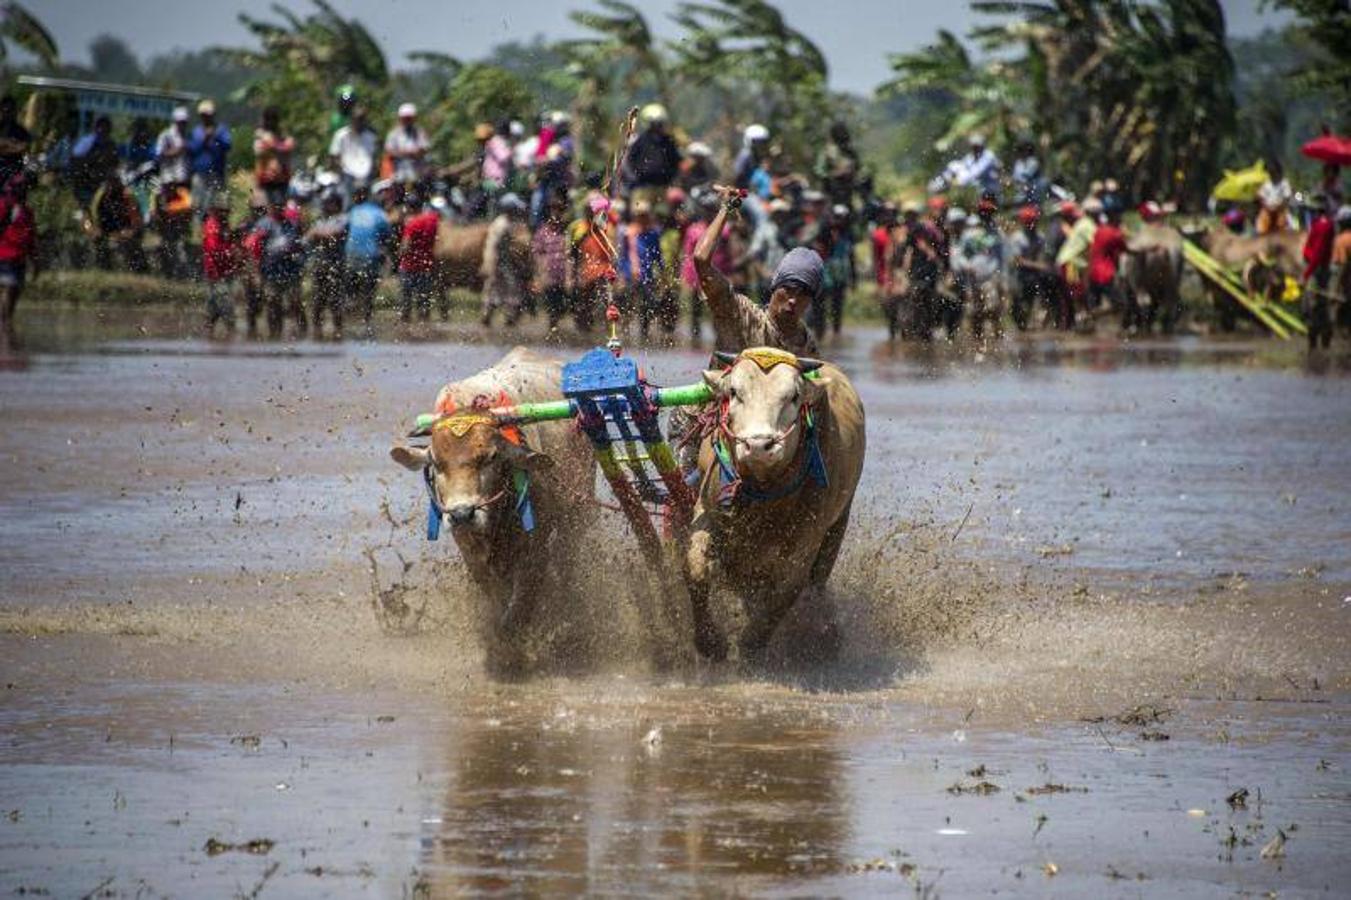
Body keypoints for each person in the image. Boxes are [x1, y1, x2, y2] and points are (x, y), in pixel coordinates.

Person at [253, 195, 306, 339]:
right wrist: (257, 270)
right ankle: (274, 334)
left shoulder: (291, 224)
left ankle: (302, 335)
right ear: (269, 208)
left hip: (290, 270)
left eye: (280, 206)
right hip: (270, 271)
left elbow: (300, 246)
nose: (277, 209)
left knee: (295, 301)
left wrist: (300, 262)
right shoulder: (263, 224)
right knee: (273, 303)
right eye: (274, 206)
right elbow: (255, 248)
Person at [568, 193, 618, 333]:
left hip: (603, 272)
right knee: (583, 306)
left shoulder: (606, 228)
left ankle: (604, 331)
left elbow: (613, 251)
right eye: (589, 210)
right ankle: (584, 330)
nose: (592, 213)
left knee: (604, 305)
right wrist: (573, 274)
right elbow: (572, 253)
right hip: (585, 272)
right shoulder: (578, 227)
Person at [952, 208, 1004, 339]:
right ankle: (976, 339)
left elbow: (1000, 256)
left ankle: (997, 337)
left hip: (990, 277)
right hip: (972, 280)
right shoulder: (967, 236)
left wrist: (997, 272)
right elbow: (960, 256)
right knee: (973, 311)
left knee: (993, 308)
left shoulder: (995, 235)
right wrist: (966, 266)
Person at [480, 193, 531, 327]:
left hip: (506, 262)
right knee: (500, 290)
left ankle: (505, 318)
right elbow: (492, 247)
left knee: (505, 290)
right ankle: (493, 318)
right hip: (499, 263)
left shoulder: (509, 222)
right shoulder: (502, 224)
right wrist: (490, 265)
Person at [344, 184, 389, 330]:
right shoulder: (379, 213)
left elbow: (344, 231)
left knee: (352, 290)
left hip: (352, 254)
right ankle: (366, 321)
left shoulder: (353, 211)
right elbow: (387, 235)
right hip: (371, 255)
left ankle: (351, 321)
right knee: (368, 291)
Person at [303, 190, 348, 338]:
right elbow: (308, 236)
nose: (327, 206)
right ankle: (316, 330)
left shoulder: (343, 218)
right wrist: (318, 233)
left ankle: (338, 330)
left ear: (337, 204)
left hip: (336, 265)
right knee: (318, 299)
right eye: (326, 203)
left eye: (330, 203)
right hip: (320, 264)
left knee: (336, 299)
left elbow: (334, 233)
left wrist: (318, 233)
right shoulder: (320, 219)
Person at [626, 199, 673, 340]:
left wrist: (663, 273)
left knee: (647, 302)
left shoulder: (653, 234)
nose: (642, 218)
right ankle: (625, 332)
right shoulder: (630, 232)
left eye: (645, 215)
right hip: (631, 272)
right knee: (628, 303)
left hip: (648, 273)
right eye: (640, 215)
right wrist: (633, 268)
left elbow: (658, 255)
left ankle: (644, 333)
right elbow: (631, 252)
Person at [624, 104, 682, 204]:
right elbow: (630, 160)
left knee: (661, 212)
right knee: (641, 211)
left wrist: (671, 178)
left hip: (663, 187)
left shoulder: (668, 142)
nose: (657, 126)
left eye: (659, 123)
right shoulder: (641, 140)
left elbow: (675, 161)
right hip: (642, 186)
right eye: (655, 123)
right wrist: (635, 177)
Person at [398, 188, 441, 323]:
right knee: (424, 302)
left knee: (406, 303)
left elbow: (405, 247)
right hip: (426, 266)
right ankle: (425, 329)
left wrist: (399, 254)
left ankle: (406, 329)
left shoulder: (412, 224)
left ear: (409, 208)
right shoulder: (432, 219)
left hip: (409, 267)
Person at [1007, 204, 1052, 331]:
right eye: (1030, 222)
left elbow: (1043, 254)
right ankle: (1020, 326)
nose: (1032, 225)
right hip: (1018, 276)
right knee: (1018, 303)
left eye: (1034, 221)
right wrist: (1037, 265)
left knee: (1032, 302)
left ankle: (1028, 327)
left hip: (1034, 276)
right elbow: (1017, 260)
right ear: (1024, 223)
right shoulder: (1018, 238)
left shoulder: (1040, 237)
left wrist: (1043, 264)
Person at [531, 190, 572, 330]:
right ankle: (552, 331)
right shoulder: (542, 233)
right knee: (551, 310)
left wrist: (569, 278)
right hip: (548, 277)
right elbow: (536, 256)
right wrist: (539, 276)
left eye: (559, 209)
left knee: (563, 308)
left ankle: (557, 331)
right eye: (553, 209)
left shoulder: (566, 232)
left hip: (563, 277)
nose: (556, 213)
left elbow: (569, 256)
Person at [201, 194, 241, 337]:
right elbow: (214, 249)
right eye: (221, 210)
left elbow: (227, 243)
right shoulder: (212, 225)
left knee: (214, 303)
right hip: (216, 272)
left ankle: (209, 332)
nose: (225, 213)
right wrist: (232, 252)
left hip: (225, 271)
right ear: (214, 210)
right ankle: (231, 332)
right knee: (226, 302)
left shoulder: (224, 224)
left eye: (226, 210)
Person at [0, 174, 36, 334]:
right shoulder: (4, 206)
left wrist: (35, 261)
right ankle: (4, 325)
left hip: (19, 257)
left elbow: (31, 238)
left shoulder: (27, 211)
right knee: (9, 287)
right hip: (4, 255)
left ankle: (7, 323)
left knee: (15, 291)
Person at [1055, 198, 1098, 329]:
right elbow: (1095, 244)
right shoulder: (1088, 225)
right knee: (1077, 294)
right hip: (1071, 263)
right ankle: (1081, 322)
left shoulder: (1081, 224)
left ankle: (1075, 322)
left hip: (1068, 262)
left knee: (1072, 295)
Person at [90, 172, 146, 272]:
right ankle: (105, 268)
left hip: (126, 226)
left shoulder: (127, 194)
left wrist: (132, 230)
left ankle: (138, 269)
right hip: (108, 226)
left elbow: (135, 216)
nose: (112, 185)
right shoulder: (102, 194)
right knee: (99, 240)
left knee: (132, 243)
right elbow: (95, 213)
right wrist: (98, 228)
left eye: (115, 182)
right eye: (111, 183)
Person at [1302, 194, 1335, 350]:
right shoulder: (1320, 224)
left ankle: (1316, 342)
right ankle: (1318, 342)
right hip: (1317, 267)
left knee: (1313, 306)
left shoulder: (1323, 226)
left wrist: (1307, 273)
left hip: (1317, 269)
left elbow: (1318, 253)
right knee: (1318, 306)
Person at [1087, 205, 1129, 327]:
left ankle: (1089, 322)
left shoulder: (1099, 230)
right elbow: (1127, 249)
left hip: (1092, 272)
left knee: (1095, 302)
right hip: (1105, 274)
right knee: (1121, 304)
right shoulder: (1116, 234)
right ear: (1115, 218)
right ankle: (1091, 315)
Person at [188, 100, 232, 210]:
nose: (206, 118)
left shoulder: (221, 130)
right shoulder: (196, 131)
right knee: (198, 206)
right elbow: (192, 149)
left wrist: (215, 136)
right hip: (200, 174)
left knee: (215, 207)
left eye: (208, 115)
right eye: (204, 115)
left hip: (216, 174)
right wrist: (205, 139)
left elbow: (227, 145)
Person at [70, 115, 121, 209]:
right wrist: (93, 160)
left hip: (101, 184)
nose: (103, 130)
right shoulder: (87, 142)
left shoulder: (111, 145)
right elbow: (75, 159)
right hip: (84, 182)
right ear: (96, 128)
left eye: (106, 128)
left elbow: (115, 164)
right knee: (83, 208)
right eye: (101, 127)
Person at [329, 105, 378, 201]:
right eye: (357, 119)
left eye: (362, 119)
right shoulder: (341, 135)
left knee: (367, 202)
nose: (359, 121)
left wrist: (373, 171)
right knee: (348, 202)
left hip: (366, 175)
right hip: (347, 174)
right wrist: (341, 171)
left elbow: (372, 156)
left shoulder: (370, 136)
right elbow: (334, 155)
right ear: (352, 119)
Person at [939, 133, 1001, 199]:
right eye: (974, 147)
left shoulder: (988, 156)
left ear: (982, 146)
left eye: (977, 147)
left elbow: (977, 172)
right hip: (975, 192)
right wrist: (950, 175)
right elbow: (960, 166)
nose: (975, 149)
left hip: (989, 191)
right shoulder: (970, 157)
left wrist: (958, 181)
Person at [252, 107, 295, 203]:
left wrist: (273, 145)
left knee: (279, 206)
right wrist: (276, 146)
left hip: (281, 179)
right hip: (266, 179)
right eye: (269, 119)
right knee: (266, 207)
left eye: (273, 119)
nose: (271, 122)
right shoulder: (260, 135)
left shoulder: (281, 135)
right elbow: (260, 152)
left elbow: (289, 146)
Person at [815, 122, 859, 210]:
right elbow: (819, 171)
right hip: (832, 192)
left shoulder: (850, 152)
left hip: (848, 191)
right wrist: (834, 174)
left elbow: (857, 167)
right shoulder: (827, 152)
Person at [385, 103, 429, 184]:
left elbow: (423, 150)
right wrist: (410, 153)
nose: (408, 120)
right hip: (398, 176)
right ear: (400, 118)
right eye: (405, 118)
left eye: (409, 118)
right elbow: (390, 152)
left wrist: (402, 152)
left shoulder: (420, 132)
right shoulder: (393, 134)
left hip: (418, 175)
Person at [155, 107, 191, 190]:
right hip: (169, 179)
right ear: (175, 121)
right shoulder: (166, 135)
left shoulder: (188, 136)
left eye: (185, 122)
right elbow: (159, 154)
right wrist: (176, 151)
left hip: (184, 179)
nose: (183, 124)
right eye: (181, 122)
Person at [0, 96, 32, 186]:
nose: (8, 114)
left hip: (13, 169)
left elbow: (23, 148)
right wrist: (11, 144)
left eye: (10, 111)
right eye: (5, 111)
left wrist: (4, 145)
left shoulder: (21, 131)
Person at [1256, 159, 1293, 235]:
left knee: (1286, 228)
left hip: (1280, 210)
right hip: (1267, 211)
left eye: (1273, 171)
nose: (1272, 174)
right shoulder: (1266, 184)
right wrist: (1267, 207)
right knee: (1260, 228)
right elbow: (1261, 197)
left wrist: (1278, 207)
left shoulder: (1284, 183)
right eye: (1270, 172)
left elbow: (1286, 198)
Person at [733, 124, 770, 190]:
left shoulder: (755, 155)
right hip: (747, 192)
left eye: (763, 142)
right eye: (758, 142)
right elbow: (738, 177)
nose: (761, 145)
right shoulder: (745, 155)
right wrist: (744, 192)